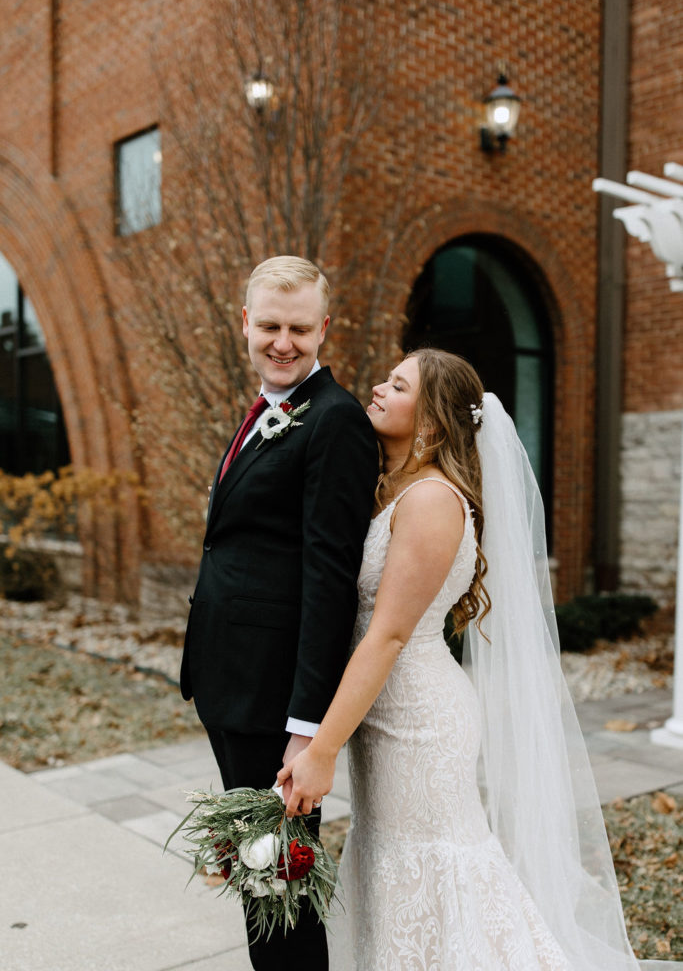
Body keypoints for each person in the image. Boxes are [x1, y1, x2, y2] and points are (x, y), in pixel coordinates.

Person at [278, 348, 677, 971]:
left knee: (436, 866)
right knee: (391, 862)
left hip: (417, 717)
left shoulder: (434, 501)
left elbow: (386, 636)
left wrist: (321, 748)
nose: (379, 387)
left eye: (398, 384)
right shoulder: (391, 490)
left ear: (432, 423)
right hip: (380, 710)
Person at [180, 255, 378, 971]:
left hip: (273, 702)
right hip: (232, 684)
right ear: (245, 322)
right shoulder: (269, 408)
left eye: (299, 328)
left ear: (324, 327)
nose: (283, 342)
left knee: (277, 884)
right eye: (269, 325)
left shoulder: (333, 420)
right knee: (260, 879)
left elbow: (330, 580)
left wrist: (306, 731)